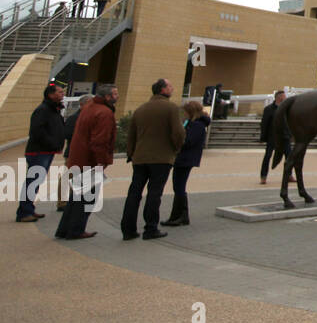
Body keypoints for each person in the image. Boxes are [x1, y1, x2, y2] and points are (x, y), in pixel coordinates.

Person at [121, 78, 185, 240]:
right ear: (163, 90)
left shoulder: (141, 109)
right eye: (170, 86)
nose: (173, 89)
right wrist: (176, 148)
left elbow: (131, 135)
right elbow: (178, 133)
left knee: (134, 193)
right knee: (154, 193)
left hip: (140, 157)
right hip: (161, 158)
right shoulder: (171, 108)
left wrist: (132, 153)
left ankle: (128, 229)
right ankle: (150, 228)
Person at [56, 85, 118, 239]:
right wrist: (101, 162)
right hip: (90, 162)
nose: (118, 96)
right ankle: (76, 230)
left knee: (76, 197)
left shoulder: (89, 108)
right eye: (115, 93)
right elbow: (100, 141)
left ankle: (64, 229)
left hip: (78, 158)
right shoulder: (104, 113)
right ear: (108, 97)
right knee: (87, 198)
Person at [18, 83, 66, 223]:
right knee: (32, 181)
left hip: (46, 151)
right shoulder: (43, 110)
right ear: (50, 94)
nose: (62, 94)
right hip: (39, 152)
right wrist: (52, 143)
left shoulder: (53, 110)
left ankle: (28, 209)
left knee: (35, 181)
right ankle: (24, 212)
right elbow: (37, 131)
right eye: (59, 92)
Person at [162, 100, 208, 227]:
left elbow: (187, 141)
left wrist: (176, 139)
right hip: (184, 159)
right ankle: (181, 215)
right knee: (178, 187)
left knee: (179, 187)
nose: (184, 114)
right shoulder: (193, 124)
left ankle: (178, 216)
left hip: (185, 159)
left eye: (186, 112)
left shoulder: (197, 125)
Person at [259, 90, 286, 184]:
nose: (285, 98)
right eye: (284, 96)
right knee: (268, 156)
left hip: (284, 137)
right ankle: (263, 176)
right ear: (279, 97)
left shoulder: (286, 108)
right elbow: (264, 124)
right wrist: (263, 137)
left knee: (289, 157)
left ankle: (289, 175)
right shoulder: (269, 109)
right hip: (272, 137)